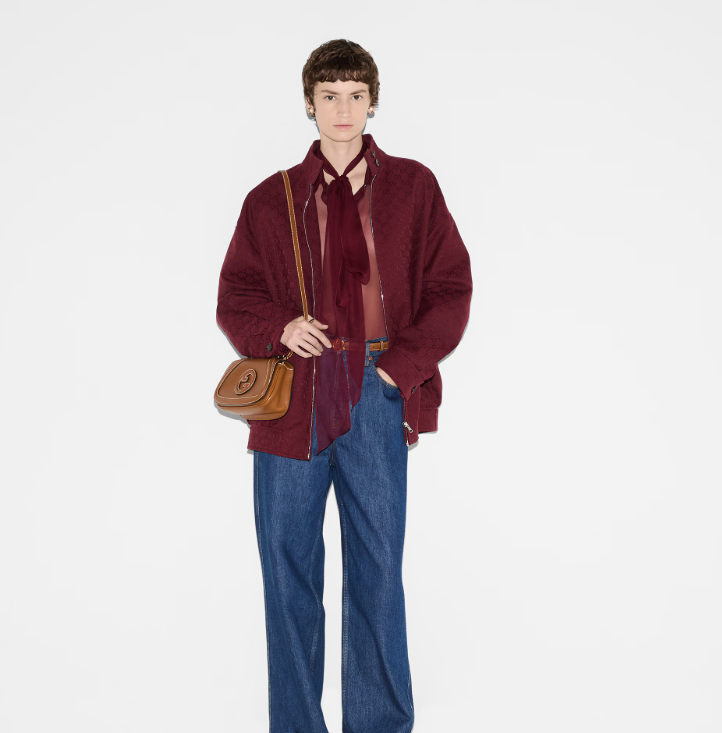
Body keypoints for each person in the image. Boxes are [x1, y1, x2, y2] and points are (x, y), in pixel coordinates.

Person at [216, 38, 473, 733]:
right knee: (288, 573)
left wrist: (397, 369)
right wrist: (280, 327)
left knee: (378, 570)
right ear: (309, 103)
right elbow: (235, 297)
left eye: (356, 95)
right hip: (297, 393)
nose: (343, 108)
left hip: (377, 387)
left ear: (372, 101)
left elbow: (451, 288)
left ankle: (379, 726)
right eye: (329, 95)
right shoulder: (270, 199)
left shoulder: (414, 188)